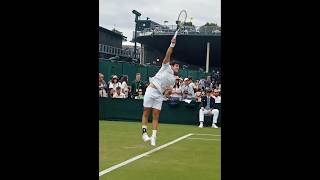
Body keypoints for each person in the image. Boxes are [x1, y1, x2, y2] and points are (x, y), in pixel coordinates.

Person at [141, 36, 179, 146]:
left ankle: (154, 136)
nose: (178, 68)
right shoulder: (165, 66)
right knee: (146, 112)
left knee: (156, 115)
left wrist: (169, 92)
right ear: (171, 66)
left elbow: (167, 93)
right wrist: (172, 44)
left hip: (159, 95)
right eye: (176, 66)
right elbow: (168, 54)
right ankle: (144, 134)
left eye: (178, 67)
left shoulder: (173, 80)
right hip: (151, 90)